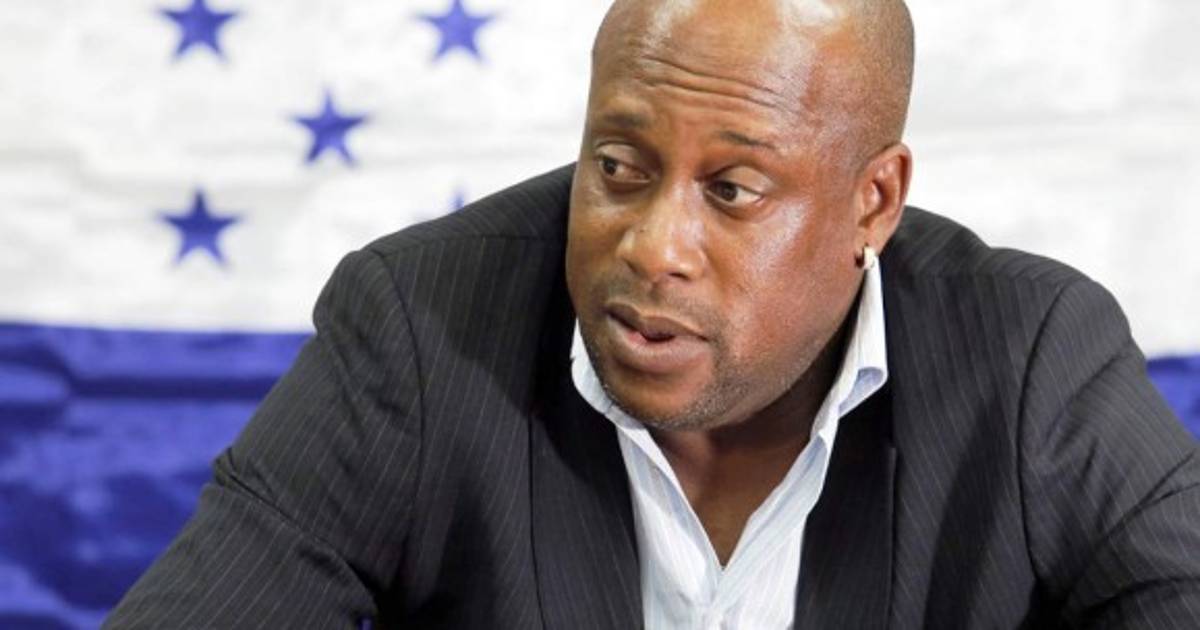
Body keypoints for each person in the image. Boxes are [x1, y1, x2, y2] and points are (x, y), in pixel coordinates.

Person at [105, 0, 1200, 628]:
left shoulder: (1031, 358)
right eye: (619, 166)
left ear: (873, 202)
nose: (651, 246)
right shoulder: (422, 325)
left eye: (734, 189)